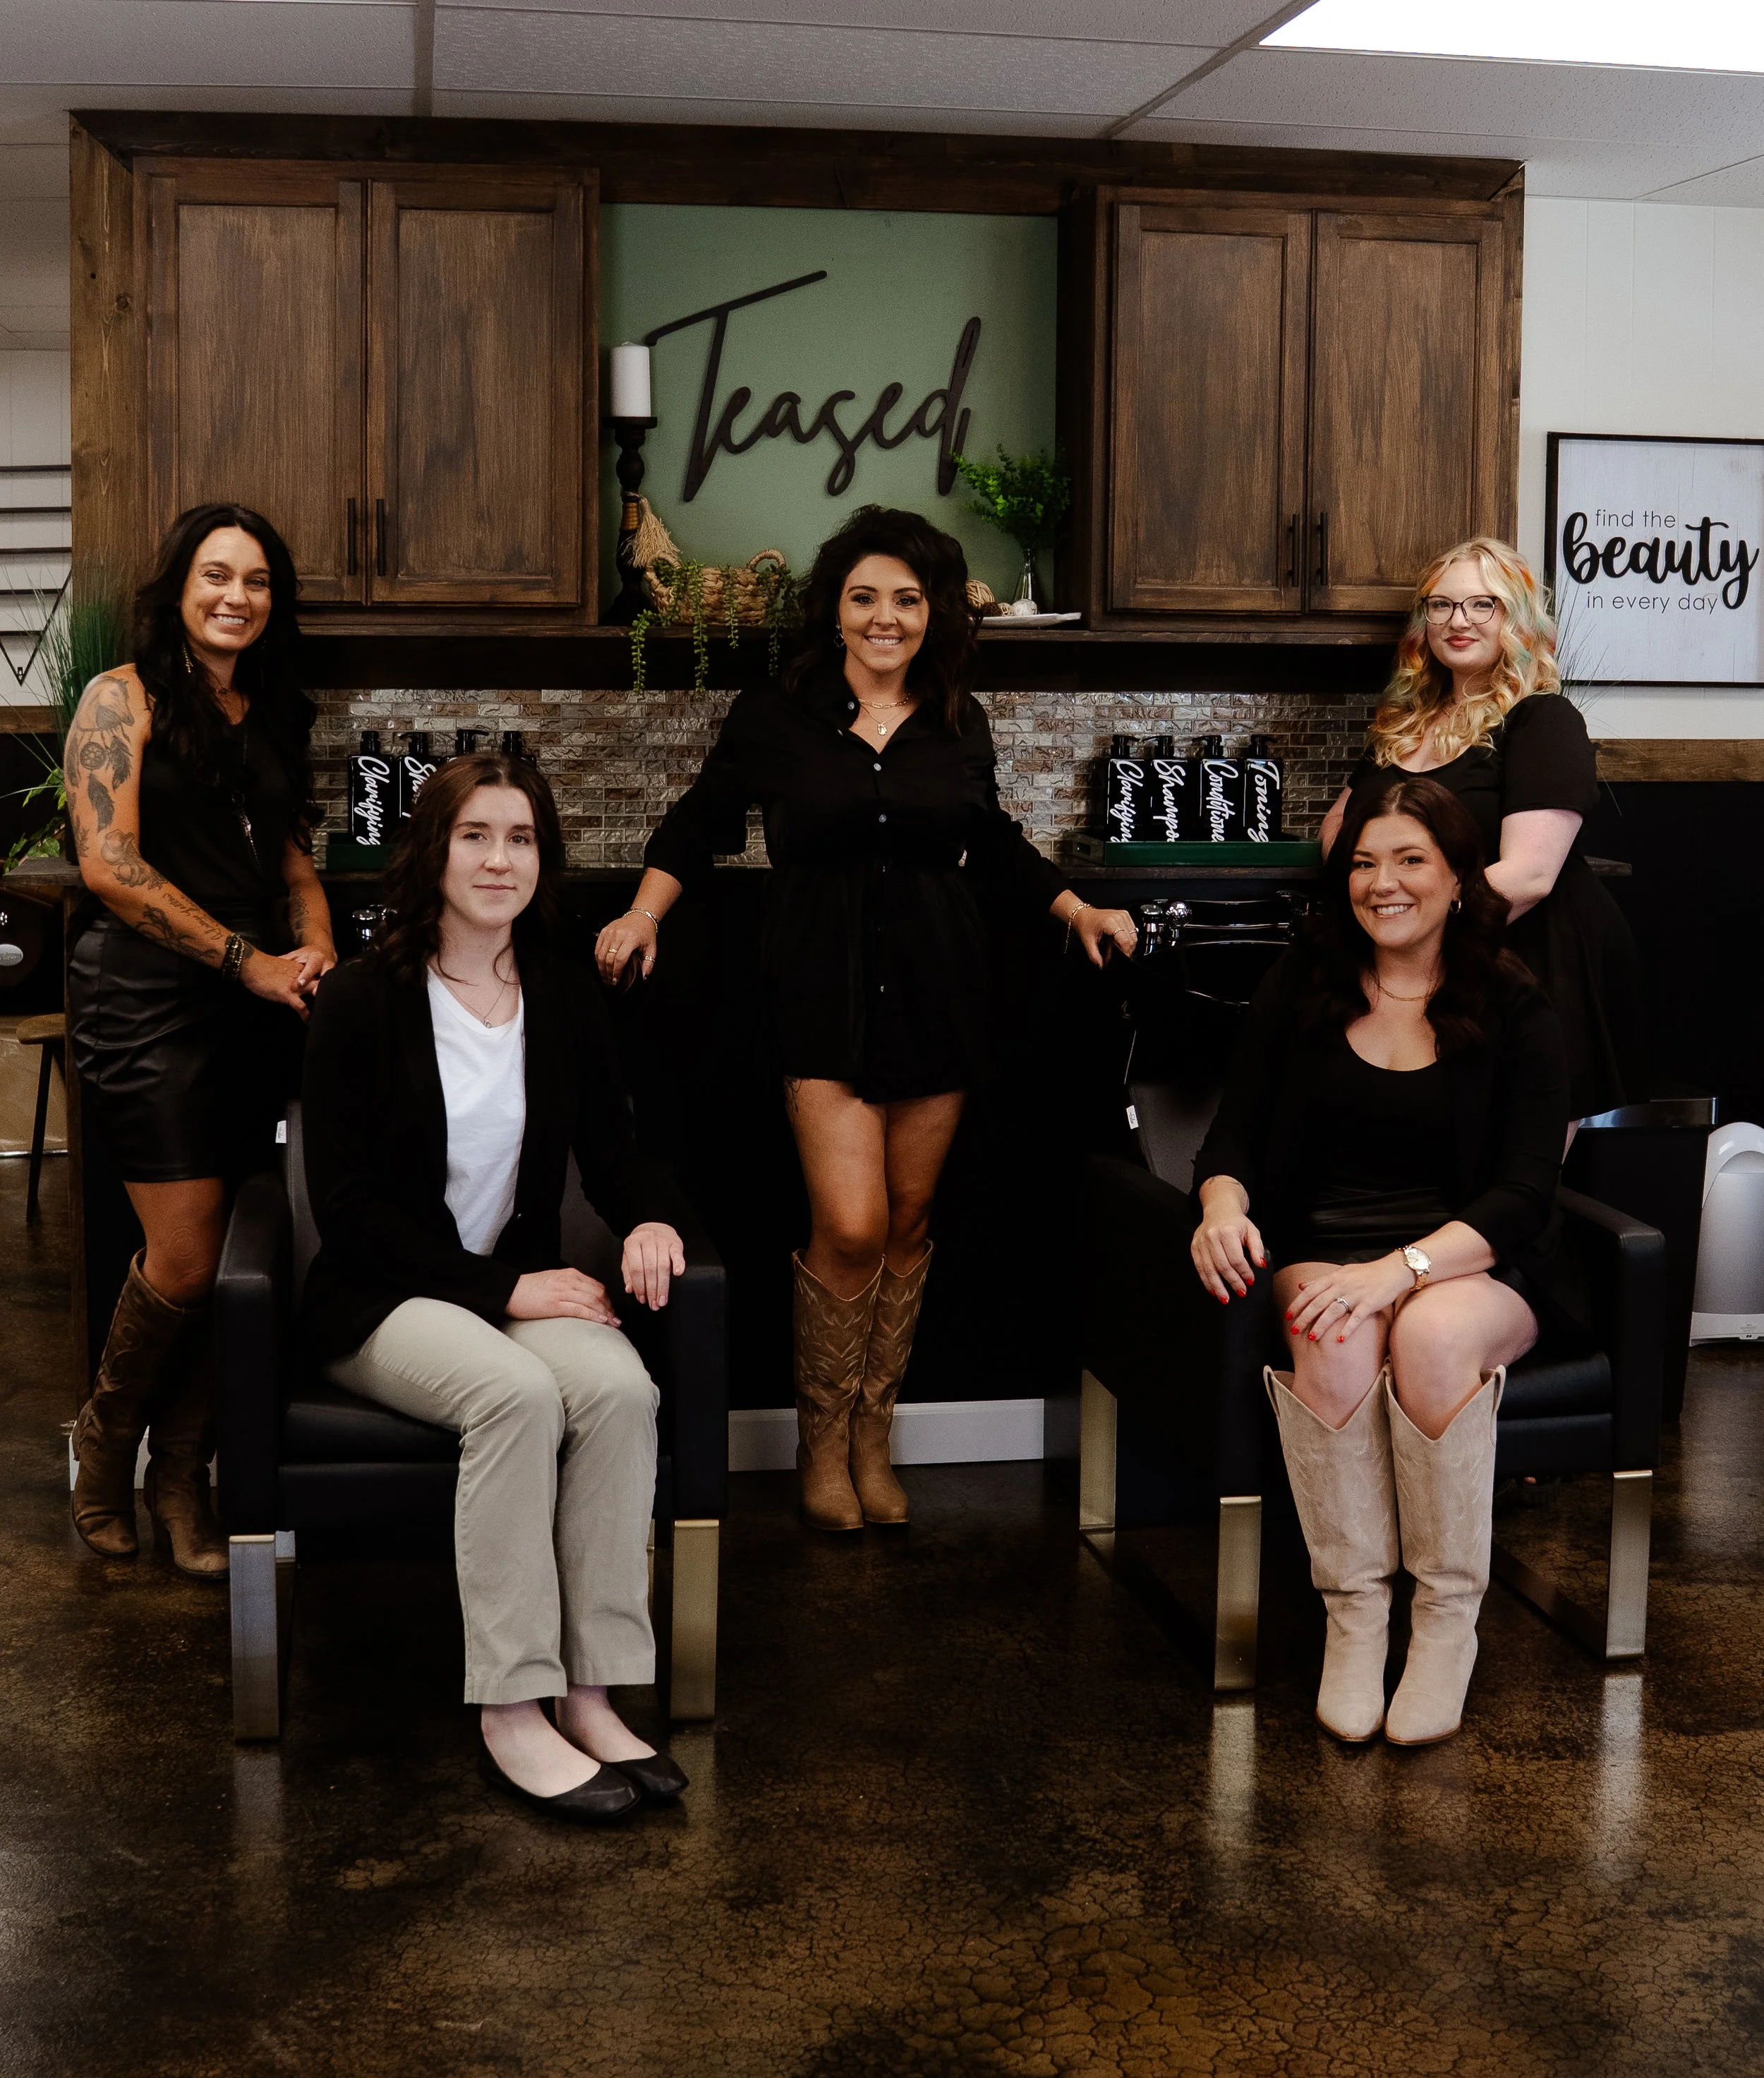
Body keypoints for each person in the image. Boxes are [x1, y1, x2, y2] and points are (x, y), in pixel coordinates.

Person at [597, 505, 1136, 1533]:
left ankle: (872, 1440)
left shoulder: (955, 717)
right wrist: (640, 913)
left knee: (910, 1222)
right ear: (833, 609)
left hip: (942, 985)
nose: (885, 618)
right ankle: (819, 1438)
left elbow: (995, 841)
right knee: (850, 1225)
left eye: (906, 599)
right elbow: (698, 823)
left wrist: (1079, 908)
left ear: (932, 613)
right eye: (864, 597)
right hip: (817, 988)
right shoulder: (778, 711)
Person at [301, 751, 689, 1823]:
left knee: (618, 1391)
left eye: (521, 838)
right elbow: (348, 1211)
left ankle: (592, 1688)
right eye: (476, 835)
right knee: (515, 1396)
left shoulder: (559, 988)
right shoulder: (361, 999)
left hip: (504, 1290)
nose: (499, 858)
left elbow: (613, 1147)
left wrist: (653, 1217)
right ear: (433, 851)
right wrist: (506, 1288)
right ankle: (511, 1705)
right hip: (381, 1301)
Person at [1191, 777, 1576, 1748]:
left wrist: (1398, 1271)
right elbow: (1232, 1131)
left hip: (1471, 1262)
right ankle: (1356, 1617)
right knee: (1335, 1326)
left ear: (1457, 879)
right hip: (1321, 1248)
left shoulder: (1517, 1004)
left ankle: (1445, 1625)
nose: (1383, 883)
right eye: (1364, 863)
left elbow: (1524, 1195)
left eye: (1410, 860)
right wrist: (1220, 1203)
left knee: (1433, 1330)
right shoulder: (1303, 981)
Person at [66, 504, 334, 1579]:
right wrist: (250, 960)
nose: (237, 596)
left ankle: (183, 1476)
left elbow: (293, 860)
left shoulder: (270, 711)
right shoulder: (117, 699)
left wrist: (310, 943)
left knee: (234, 1257)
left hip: (256, 1002)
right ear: (177, 586)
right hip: (146, 1000)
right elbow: (108, 866)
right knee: (181, 1255)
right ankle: (103, 1444)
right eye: (217, 575)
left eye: (258, 580)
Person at [1319, 538, 1643, 1120]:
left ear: (1515, 619)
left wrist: (1413, 932)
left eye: (1481, 605)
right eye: (1441, 606)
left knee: (1514, 1171)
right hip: (1425, 962)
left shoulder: (1543, 719)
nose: (1457, 620)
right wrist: (1373, 894)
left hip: (1527, 962)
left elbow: (1530, 874)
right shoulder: (1405, 725)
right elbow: (1342, 822)